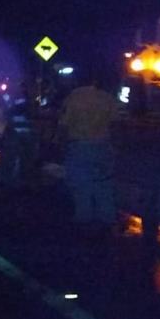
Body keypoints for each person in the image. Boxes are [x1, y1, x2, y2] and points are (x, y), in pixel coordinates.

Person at [58, 67, 119, 235]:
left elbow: (64, 124)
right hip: (103, 147)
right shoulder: (107, 98)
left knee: (81, 186)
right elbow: (115, 124)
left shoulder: (74, 98)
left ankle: (84, 220)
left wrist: (61, 145)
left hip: (79, 147)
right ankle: (107, 220)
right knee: (103, 185)